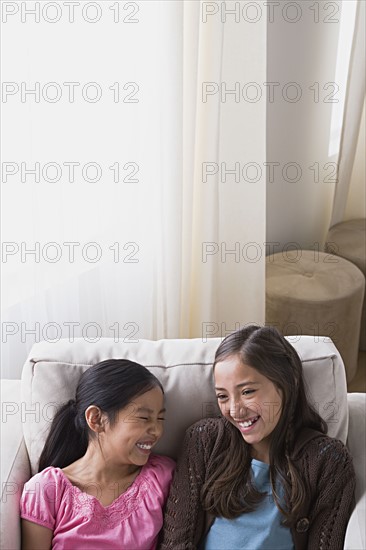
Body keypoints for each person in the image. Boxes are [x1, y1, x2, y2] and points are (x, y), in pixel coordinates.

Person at [158, 325, 355, 550]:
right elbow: (176, 542)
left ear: (287, 383)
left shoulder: (329, 460)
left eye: (247, 392)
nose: (235, 410)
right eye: (222, 396)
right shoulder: (204, 441)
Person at [20, 359, 175, 550]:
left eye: (160, 418)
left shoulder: (162, 477)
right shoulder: (47, 489)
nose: (157, 430)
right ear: (96, 419)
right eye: (144, 418)